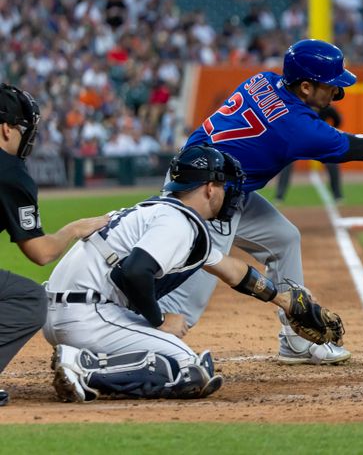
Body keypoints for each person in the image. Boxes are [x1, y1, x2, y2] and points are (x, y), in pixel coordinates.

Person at [158, 38, 363, 365]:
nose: (337, 94)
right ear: (305, 86)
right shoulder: (295, 125)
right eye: (331, 86)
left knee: (284, 239)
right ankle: (145, 348)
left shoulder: (262, 80)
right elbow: (342, 145)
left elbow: (324, 140)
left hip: (214, 182)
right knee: (191, 293)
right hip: (204, 196)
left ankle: (296, 341)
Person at [46, 144, 342, 402]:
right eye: (226, 186)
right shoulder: (177, 223)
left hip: (60, 312)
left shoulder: (159, 212)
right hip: (87, 318)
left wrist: (284, 300)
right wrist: (160, 320)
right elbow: (135, 272)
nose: (229, 194)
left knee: (176, 357)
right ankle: (85, 367)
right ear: (210, 188)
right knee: (190, 368)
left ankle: (88, 358)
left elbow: (231, 270)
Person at [0, 83, 109, 406]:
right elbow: (41, 252)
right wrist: (74, 228)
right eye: (23, 128)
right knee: (29, 298)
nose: (26, 136)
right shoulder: (10, 173)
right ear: (6, 129)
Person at [275, 105, 344, 202]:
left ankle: (337, 195)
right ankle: (279, 195)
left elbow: (338, 119)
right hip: (299, 140)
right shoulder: (299, 106)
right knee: (286, 164)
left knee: (332, 162)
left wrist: (329, 130)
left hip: (318, 140)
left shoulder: (326, 107)